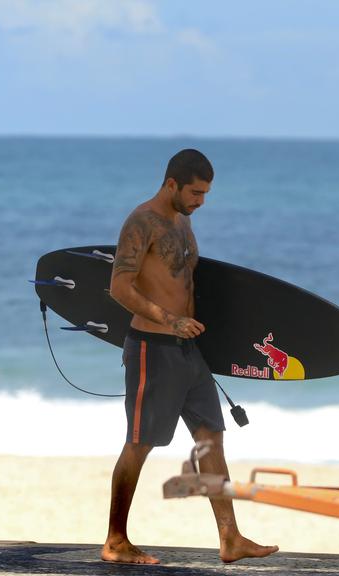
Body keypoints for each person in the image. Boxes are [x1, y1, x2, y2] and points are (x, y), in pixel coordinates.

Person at [101, 149, 279, 565]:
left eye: (206, 194)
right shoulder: (141, 221)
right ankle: (115, 540)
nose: (201, 201)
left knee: (209, 438)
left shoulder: (182, 224)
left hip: (188, 351)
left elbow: (188, 284)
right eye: (196, 192)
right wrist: (169, 319)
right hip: (153, 349)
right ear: (171, 184)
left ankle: (230, 538)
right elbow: (120, 287)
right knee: (140, 443)